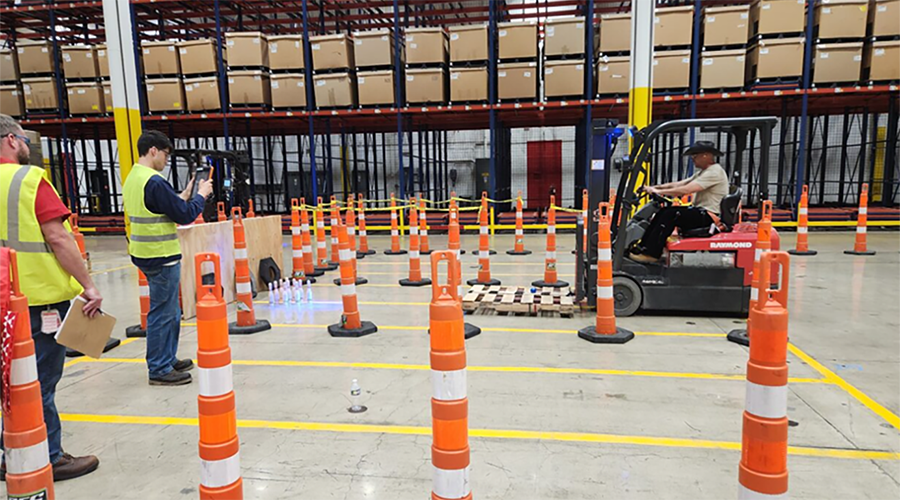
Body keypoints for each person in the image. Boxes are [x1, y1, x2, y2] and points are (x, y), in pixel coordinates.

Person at [0, 114, 101, 480]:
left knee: (9, 379)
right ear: (12, 140)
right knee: (37, 380)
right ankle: (48, 455)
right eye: (24, 138)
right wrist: (88, 285)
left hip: (1, 299)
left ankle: (7, 448)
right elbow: (58, 238)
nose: (27, 144)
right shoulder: (28, 180)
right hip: (35, 300)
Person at [123, 130, 212, 386]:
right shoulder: (154, 181)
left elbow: (164, 207)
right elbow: (184, 216)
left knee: (171, 310)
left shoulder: (134, 177)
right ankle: (159, 367)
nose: (166, 160)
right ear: (153, 150)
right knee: (163, 312)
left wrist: (185, 194)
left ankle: (166, 358)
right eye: (165, 154)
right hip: (160, 256)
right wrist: (200, 196)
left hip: (145, 254)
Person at [630, 140, 730, 263]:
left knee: (670, 215)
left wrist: (657, 192)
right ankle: (644, 248)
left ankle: (652, 254)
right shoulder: (705, 172)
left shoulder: (714, 172)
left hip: (708, 216)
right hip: (702, 212)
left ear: (705, 155)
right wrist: (655, 188)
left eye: (695, 155)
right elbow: (680, 183)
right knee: (664, 211)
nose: (693, 159)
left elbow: (686, 189)